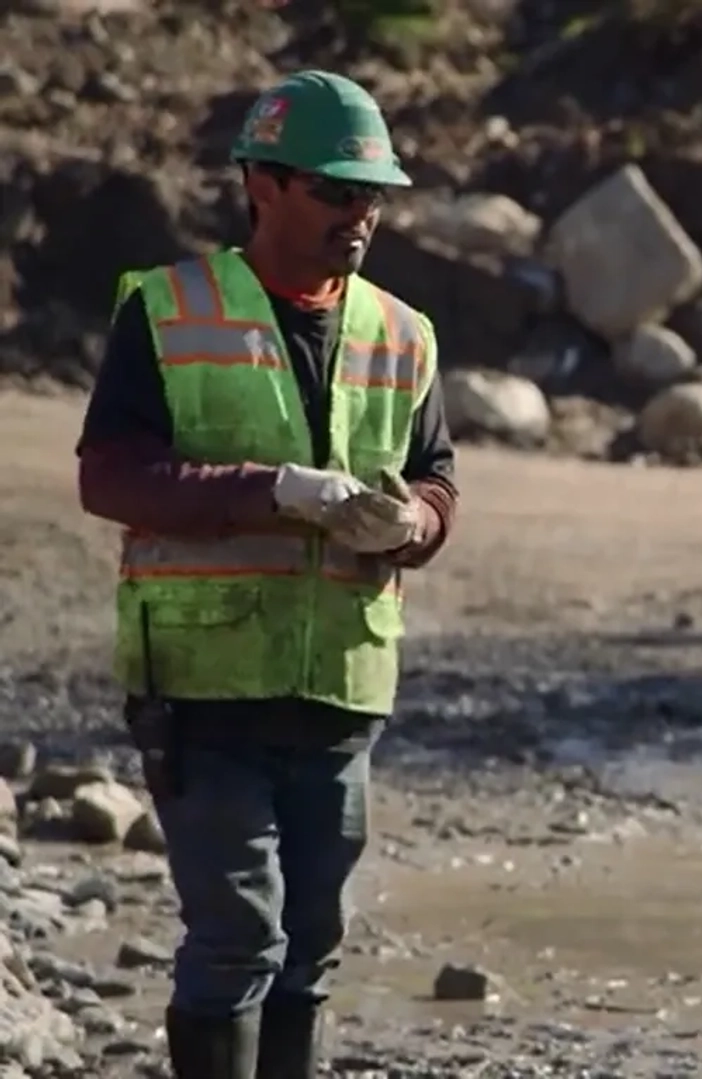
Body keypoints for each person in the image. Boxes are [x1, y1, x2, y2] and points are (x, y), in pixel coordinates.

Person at [74, 70, 456, 1079]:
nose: (361, 213)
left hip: (340, 688)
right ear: (263, 183)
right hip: (204, 691)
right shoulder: (168, 310)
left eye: (372, 194)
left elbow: (437, 480)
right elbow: (111, 474)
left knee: (310, 951)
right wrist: (275, 489)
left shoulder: (403, 333)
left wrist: (412, 520)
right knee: (238, 941)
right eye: (337, 191)